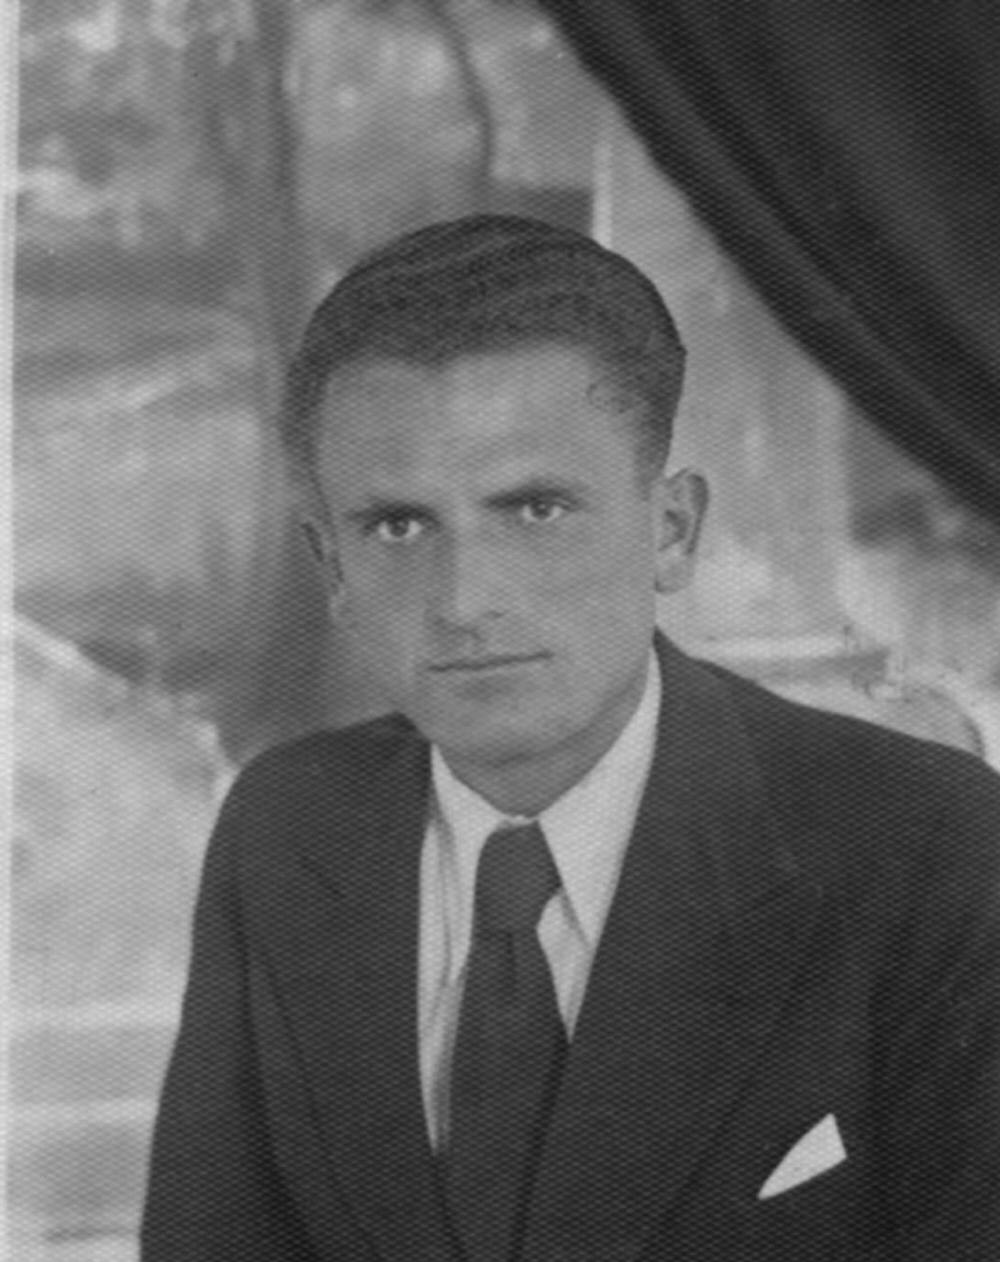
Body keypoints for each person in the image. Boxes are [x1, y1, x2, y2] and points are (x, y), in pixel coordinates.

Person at [141, 215, 1000, 1262]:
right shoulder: (287, 828)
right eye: (399, 526)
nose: (465, 601)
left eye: (536, 509)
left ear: (671, 530)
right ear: (333, 569)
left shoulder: (925, 840)